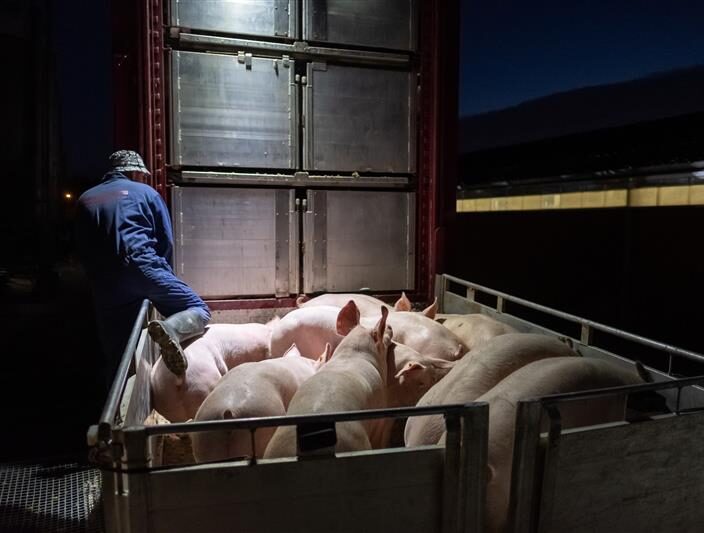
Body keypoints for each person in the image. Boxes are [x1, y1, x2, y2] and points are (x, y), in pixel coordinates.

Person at [75, 150, 210, 388]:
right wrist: (160, 275)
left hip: (106, 281)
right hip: (144, 266)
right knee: (197, 308)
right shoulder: (146, 193)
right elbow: (165, 240)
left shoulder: (86, 198)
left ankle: (116, 410)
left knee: (119, 352)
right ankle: (171, 329)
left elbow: (82, 247)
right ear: (135, 172)